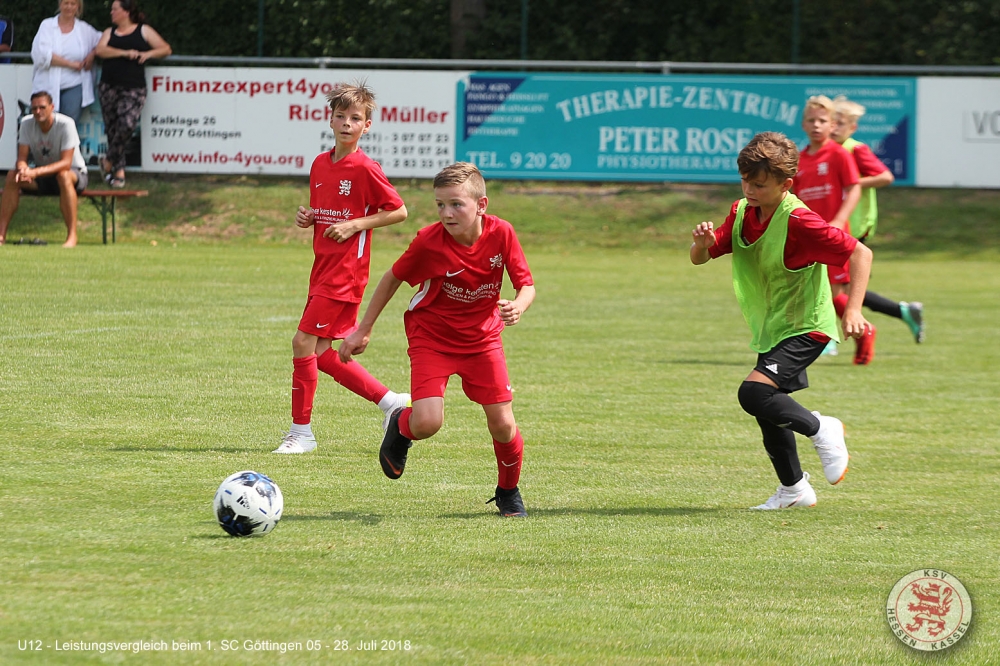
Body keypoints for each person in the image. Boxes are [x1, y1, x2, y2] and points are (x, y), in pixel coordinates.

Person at [339, 162, 536, 518]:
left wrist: (518, 306)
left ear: (482, 205)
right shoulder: (429, 241)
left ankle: (508, 492)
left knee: (504, 424)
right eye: (440, 205)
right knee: (427, 423)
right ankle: (401, 424)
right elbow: (392, 277)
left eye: (456, 204)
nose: (447, 213)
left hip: (483, 340)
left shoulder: (502, 233)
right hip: (432, 337)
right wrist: (364, 328)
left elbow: (527, 285)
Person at [690, 131, 873, 510]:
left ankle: (822, 428)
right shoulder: (742, 212)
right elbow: (701, 257)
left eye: (759, 184)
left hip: (808, 326)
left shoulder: (800, 220)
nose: (749, 190)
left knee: (753, 394)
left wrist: (853, 309)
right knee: (768, 408)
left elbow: (860, 253)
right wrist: (702, 245)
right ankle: (794, 490)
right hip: (775, 327)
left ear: (785, 184)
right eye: (745, 181)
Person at [273, 82, 410, 455]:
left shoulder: (365, 168)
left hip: (346, 273)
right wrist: (309, 218)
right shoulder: (320, 163)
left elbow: (398, 210)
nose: (347, 123)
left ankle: (301, 433)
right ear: (330, 120)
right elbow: (325, 212)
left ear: (366, 126)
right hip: (322, 268)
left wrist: (355, 225)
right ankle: (391, 402)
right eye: (341, 116)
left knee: (302, 343)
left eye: (355, 118)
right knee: (319, 353)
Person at [831, 95, 925, 344]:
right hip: (834, 224)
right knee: (842, 288)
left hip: (852, 226)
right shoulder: (826, 151)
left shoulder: (855, 149)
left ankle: (828, 340)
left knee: (833, 287)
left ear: (853, 127)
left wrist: (850, 182)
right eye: (833, 122)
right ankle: (902, 312)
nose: (835, 128)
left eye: (841, 124)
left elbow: (885, 176)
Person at [792, 94, 876, 365]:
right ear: (803, 124)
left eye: (822, 121)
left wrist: (839, 220)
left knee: (832, 292)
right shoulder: (800, 160)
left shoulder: (839, 154)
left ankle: (859, 331)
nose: (816, 125)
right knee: (816, 292)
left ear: (832, 125)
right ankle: (837, 336)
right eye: (811, 120)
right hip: (809, 236)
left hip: (834, 234)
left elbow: (854, 189)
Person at [95, 0, 171, 189]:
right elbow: (100, 50)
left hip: (134, 87)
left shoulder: (143, 30)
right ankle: (119, 172)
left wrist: (149, 54)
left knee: (127, 124)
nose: (111, 13)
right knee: (113, 129)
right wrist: (124, 53)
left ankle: (108, 161)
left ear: (126, 12)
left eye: (115, 9)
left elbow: (165, 49)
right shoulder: (109, 32)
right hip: (108, 86)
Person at [0, 91, 88, 247]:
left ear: (52, 107)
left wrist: (34, 172)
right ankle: (1, 235)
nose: (38, 111)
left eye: (42, 107)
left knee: (63, 176)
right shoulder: (26, 123)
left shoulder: (66, 124)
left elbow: (66, 163)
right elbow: (22, 158)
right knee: (12, 176)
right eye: (34, 108)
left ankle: (72, 236)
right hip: (43, 177)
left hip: (74, 174)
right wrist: (23, 169)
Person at [30, 0, 101, 125]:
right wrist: (71, 64)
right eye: (66, 3)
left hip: (75, 85)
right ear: (60, 4)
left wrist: (93, 53)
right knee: (45, 125)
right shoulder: (47, 25)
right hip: (46, 86)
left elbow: (103, 40)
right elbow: (42, 55)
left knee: (68, 126)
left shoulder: (84, 29)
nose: (69, 7)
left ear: (78, 6)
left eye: (73, 4)